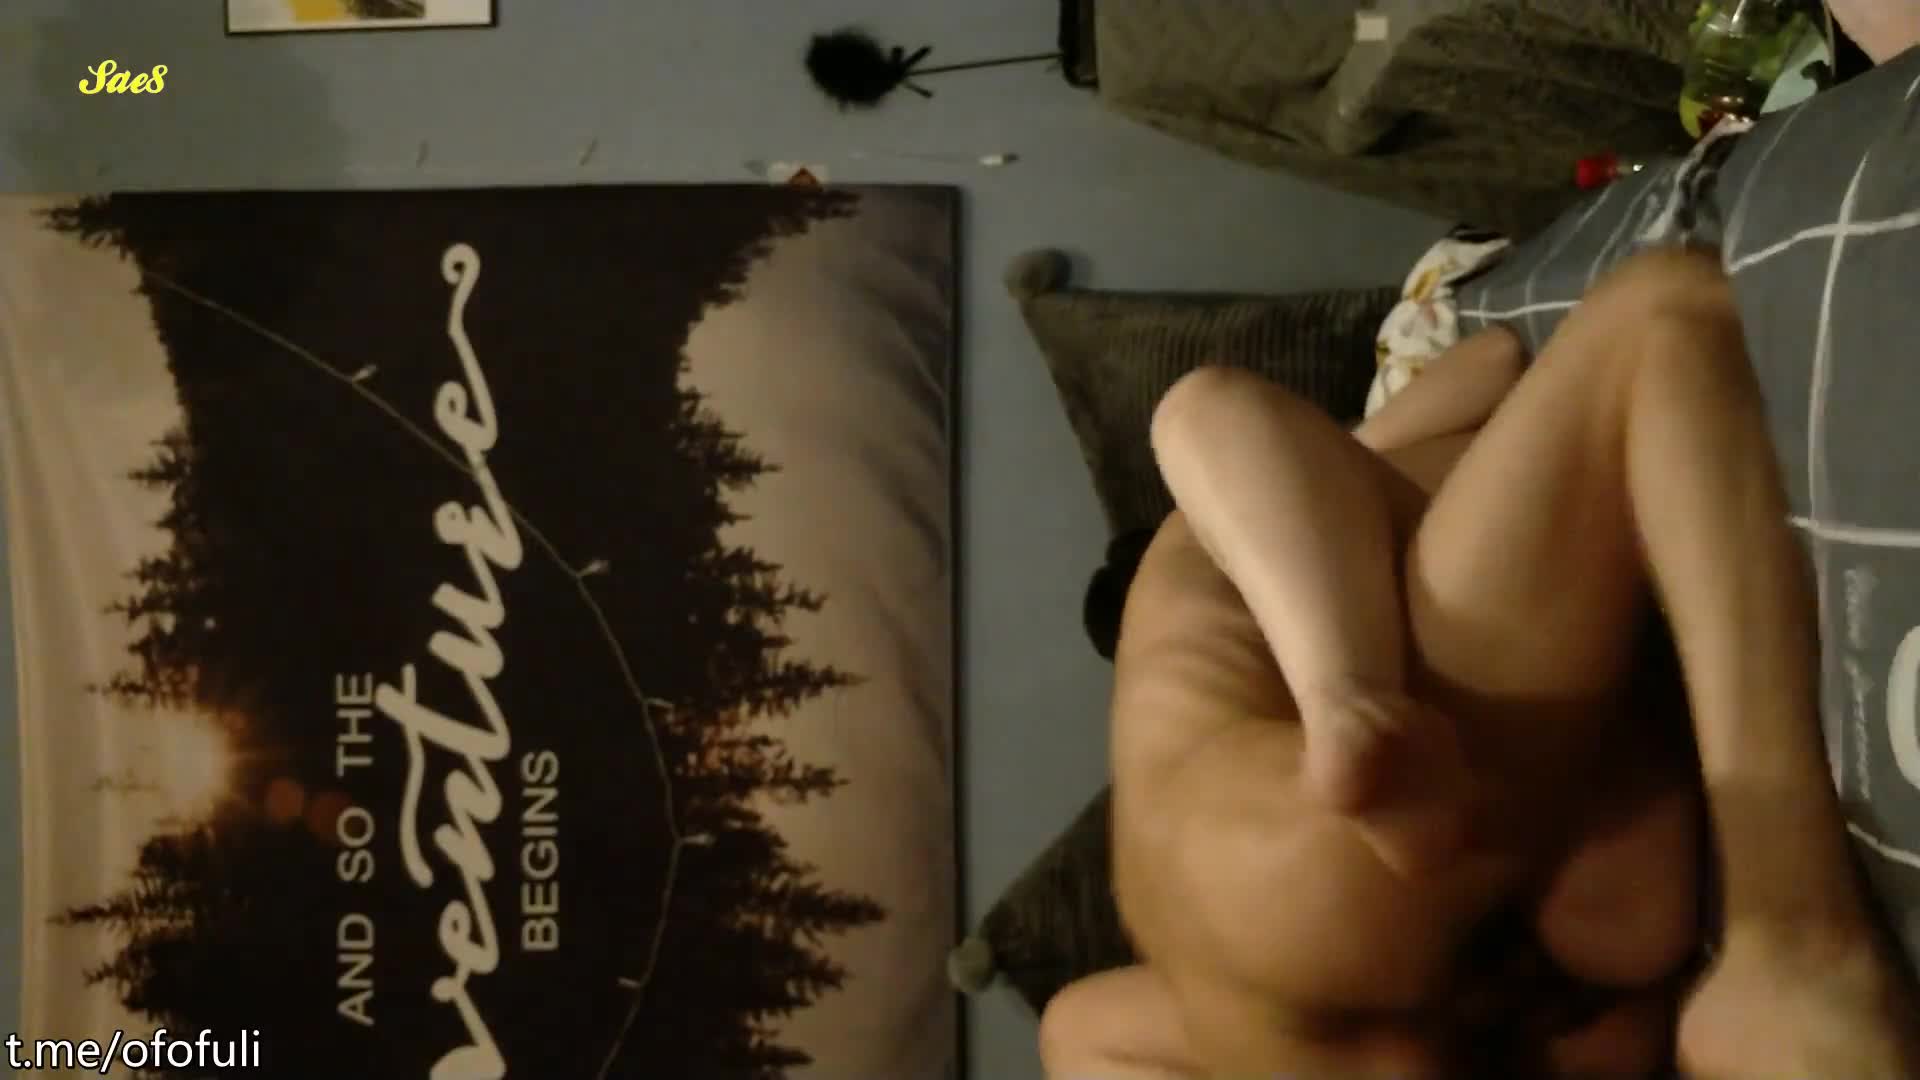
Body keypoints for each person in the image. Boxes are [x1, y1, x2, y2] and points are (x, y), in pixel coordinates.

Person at [1039, 247, 1920, 1077]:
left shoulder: (1188, 665)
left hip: (1227, 961)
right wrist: (1345, 688)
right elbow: (1229, 411)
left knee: (1616, 925)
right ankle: (1790, 925)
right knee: (1662, 318)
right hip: (1320, 838)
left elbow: (1489, 364)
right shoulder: (1218, 542)